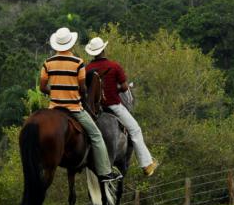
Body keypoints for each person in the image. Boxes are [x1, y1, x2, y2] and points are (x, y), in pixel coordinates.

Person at [39, 28, 122, 183]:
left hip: (54, 109)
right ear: (71, 44)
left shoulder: (47, 63)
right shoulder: (78, 63)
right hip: (74, 109)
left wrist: (56, 92)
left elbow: (42, 88)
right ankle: (105, 172)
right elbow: (83, 89)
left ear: (56, 45)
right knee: (96, 136)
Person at [85, 37, 159, 177]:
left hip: (93, 110)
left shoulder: (87, 69)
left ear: (92, 53)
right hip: (112, 106)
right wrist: (114, 89)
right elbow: (125, 87)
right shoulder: (114, 66)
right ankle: (146, 165)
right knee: (135, 130)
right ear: (104, 49)